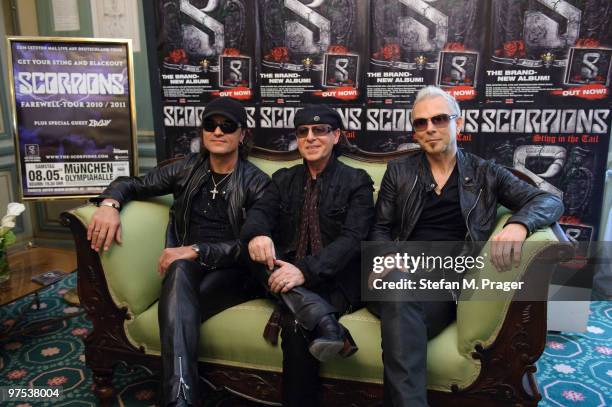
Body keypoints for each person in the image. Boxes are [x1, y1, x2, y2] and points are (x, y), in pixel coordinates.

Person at [369, 86, 564, 407]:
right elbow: (380, 228)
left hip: (445, 286)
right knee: (398, 289)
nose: (430, 128)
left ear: (459, 124)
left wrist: (519, 224)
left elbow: (547, 199)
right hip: (395, 275)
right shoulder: (399, 171)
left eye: (440, 119)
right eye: (420, 123)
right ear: (415, 132)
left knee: (403, 316)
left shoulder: (486, 173)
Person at [87, 97, 270, 407]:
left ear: (243, 134)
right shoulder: (186, 168)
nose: (217, 131)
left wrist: (197, 250)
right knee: (180, 269)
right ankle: (181, 398)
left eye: (227, 126)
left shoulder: (257, 183)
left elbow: (248, 246)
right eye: (210, 125)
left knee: (180, 276)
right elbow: (134, 183)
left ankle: (178, 398)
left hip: (234, 272)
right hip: (186, 267)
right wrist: (109, 204)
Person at [241, 105, 375, 406]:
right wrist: (258, 233)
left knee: (298, 324)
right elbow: (259, 212)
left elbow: (354, 240)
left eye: (320, 131)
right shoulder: (283, 179)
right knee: (249, 250)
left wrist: (304, 271)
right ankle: (325, 321)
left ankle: (317, 315)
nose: (310, 138)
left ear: (336, 135)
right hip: (283, 275)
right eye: (303, 132)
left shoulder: (357, 181)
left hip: (337, 281)